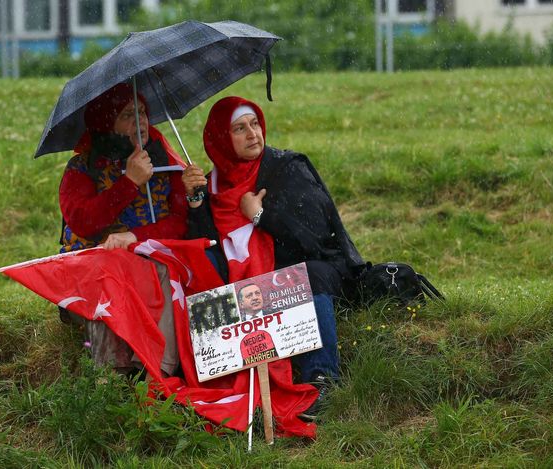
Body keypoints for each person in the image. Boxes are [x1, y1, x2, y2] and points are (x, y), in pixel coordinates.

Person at [182, 96, 365, 420]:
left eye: (255, 124)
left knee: (304, 275)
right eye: (239, 128)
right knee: (207, 276)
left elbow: (314, 238)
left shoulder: (286, 168)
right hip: (253, 283)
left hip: (313, 268)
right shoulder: (212, 186)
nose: (253, 134)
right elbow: (208, 247)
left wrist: (261, 216)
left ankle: (323, 379)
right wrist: (196, 203)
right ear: (221, 139)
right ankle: (216, 377)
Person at [57, 82, 188, 378]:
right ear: (107, 123)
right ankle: (113, 374)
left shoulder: (164, 161)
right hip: (96, 265)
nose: (140, 122)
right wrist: (129, 182)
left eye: (142, 112)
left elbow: (181, 222)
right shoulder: (82, 168)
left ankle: (157, 370)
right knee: (110, 273)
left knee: (168, 266)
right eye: (128, 115)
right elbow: (84, 223)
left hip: (148, 261)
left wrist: (193, 194)